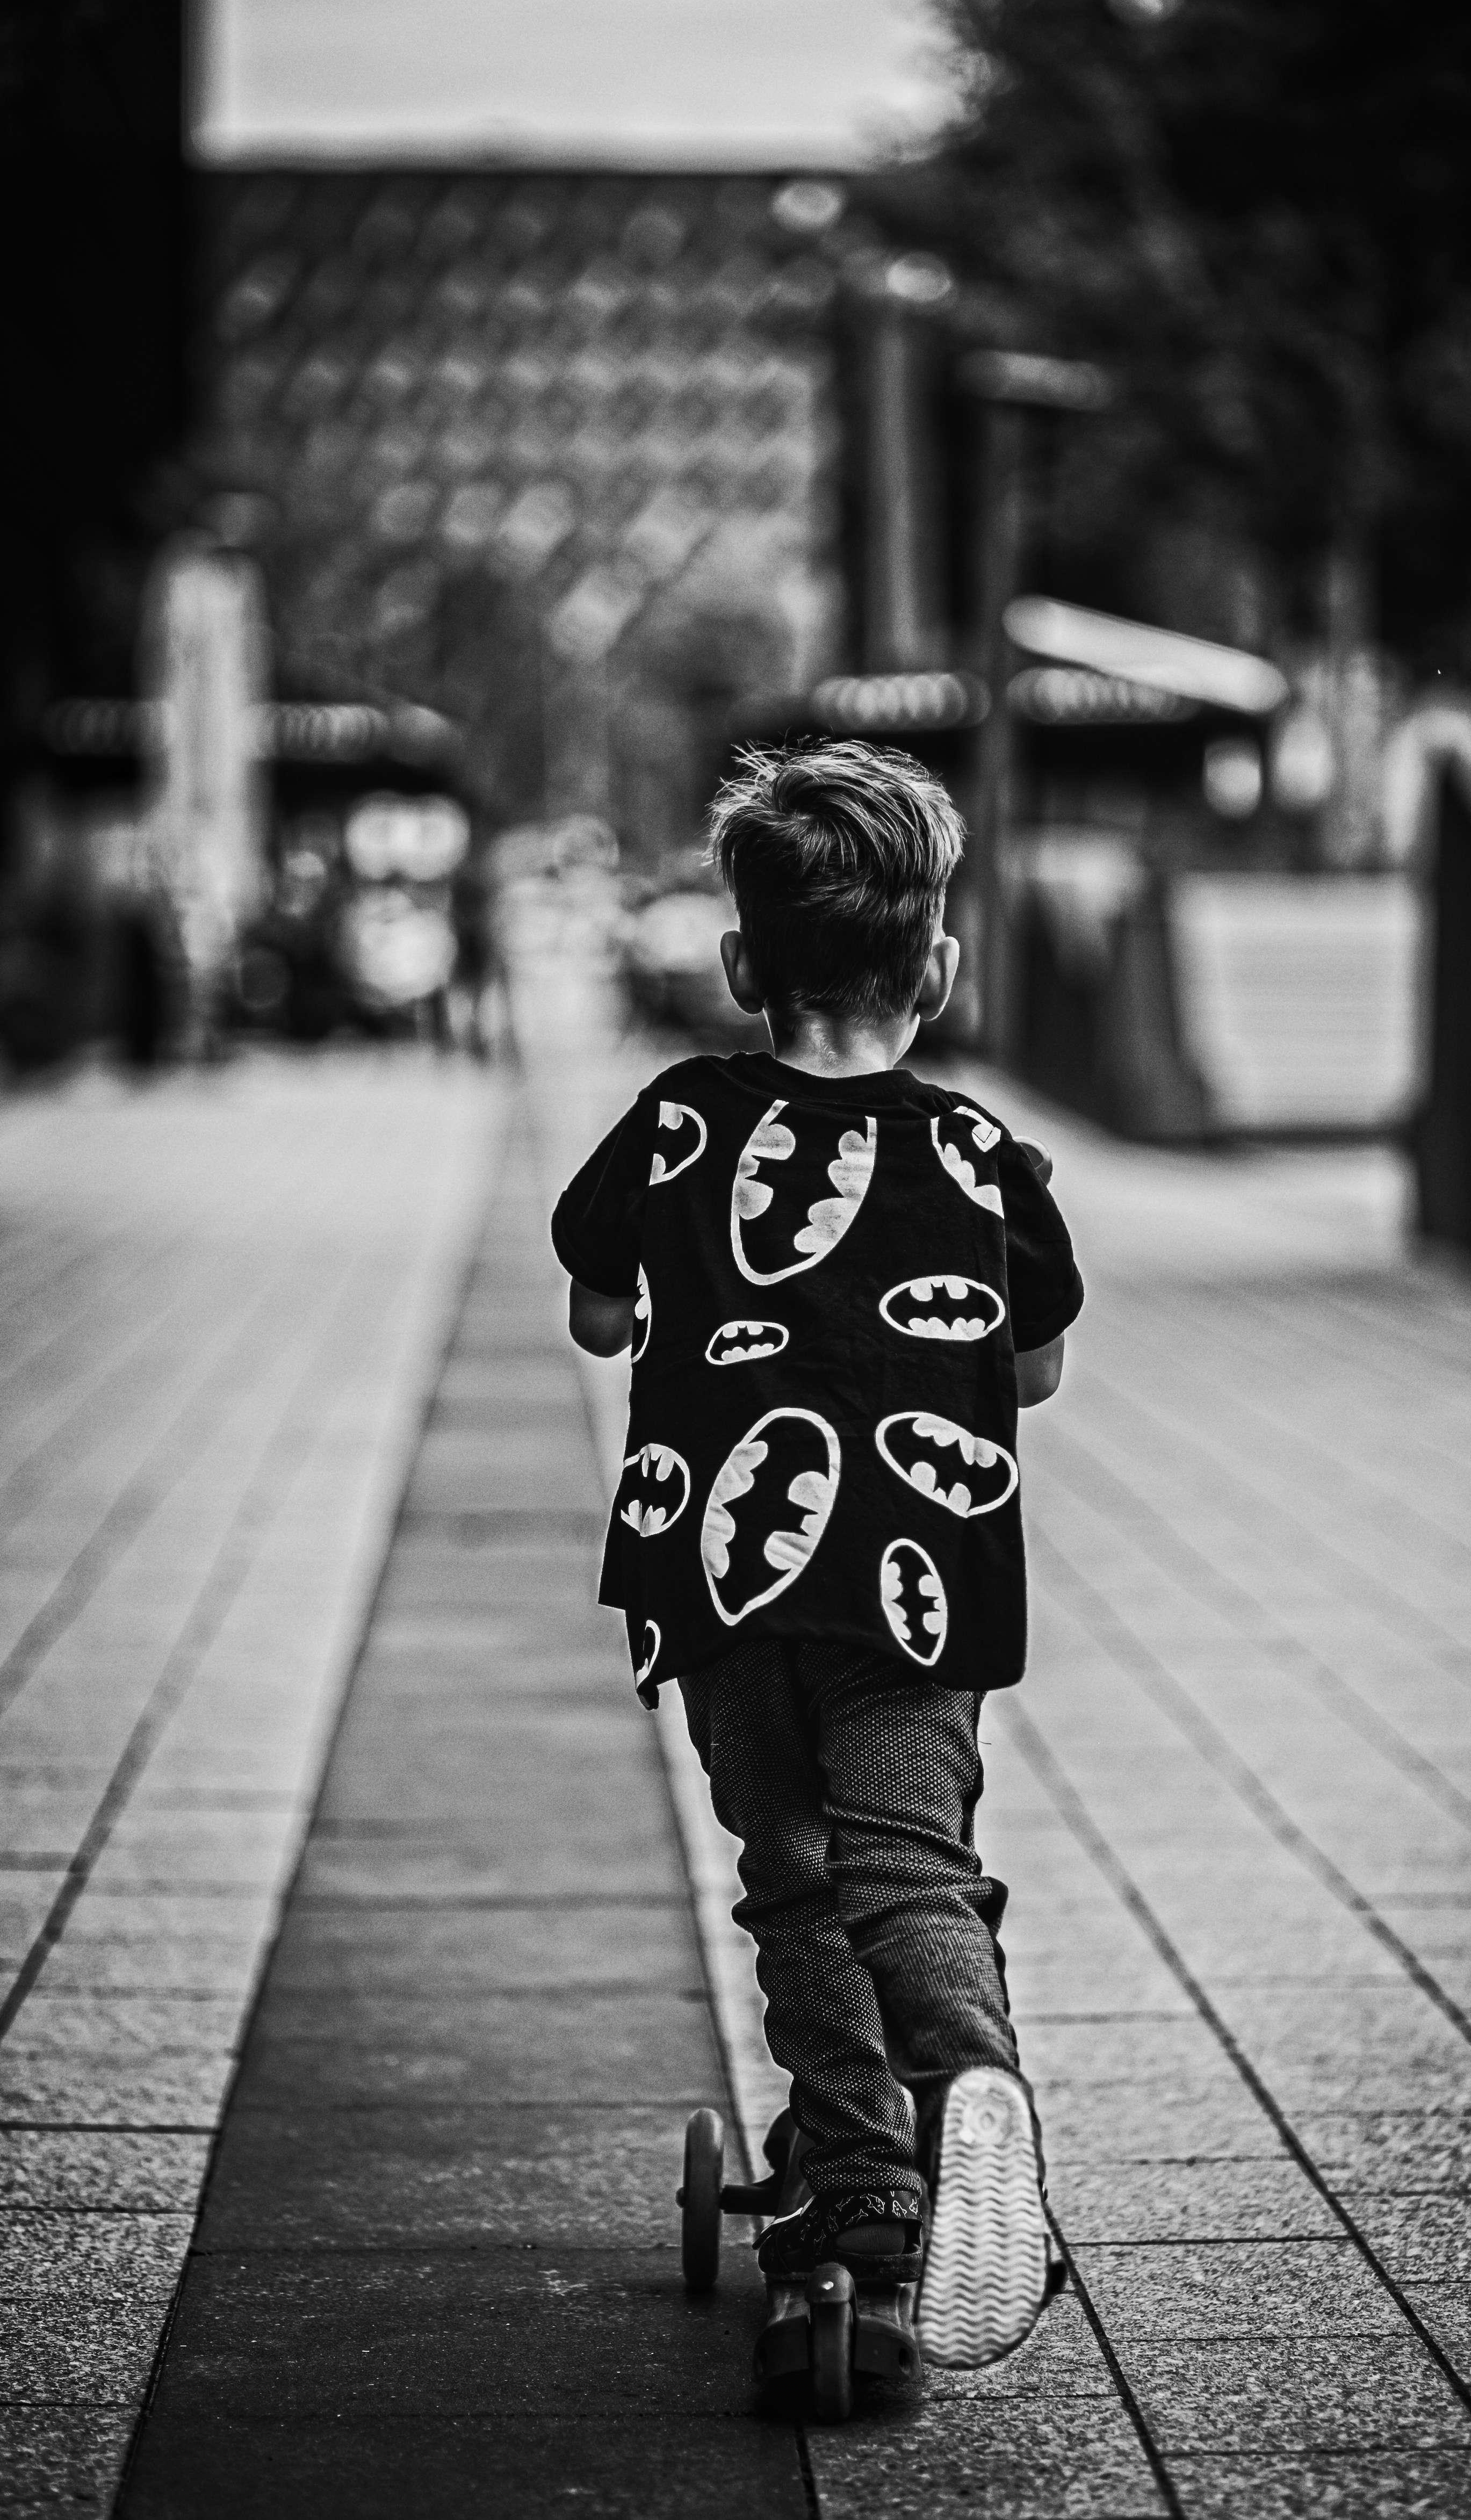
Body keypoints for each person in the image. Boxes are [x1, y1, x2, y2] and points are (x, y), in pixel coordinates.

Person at [551, 740, 1083, 2370]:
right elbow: (1036, 1369)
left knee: (790, 1876)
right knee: (908, 1865)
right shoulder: (983, 1158)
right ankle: (969, 2083)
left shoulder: (675, 1123)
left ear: (738, 964)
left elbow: (597, 1311)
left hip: (723, 1577)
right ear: (936, 964)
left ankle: (852, 2185)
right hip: (916, 1581)